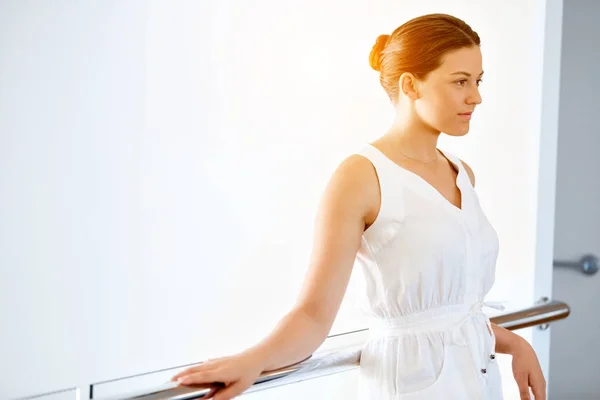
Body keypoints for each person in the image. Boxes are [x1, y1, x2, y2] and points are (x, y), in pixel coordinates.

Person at [171, 13, 546, 400]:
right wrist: (253, 360)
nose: (476, 97)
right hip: (413, 386)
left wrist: (516, 344)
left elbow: (455, 311)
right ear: (410, 85)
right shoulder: (362, 176)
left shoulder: (462, 173)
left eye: (478, 81)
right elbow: (313, 314)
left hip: (479, 379)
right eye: (460, 82)